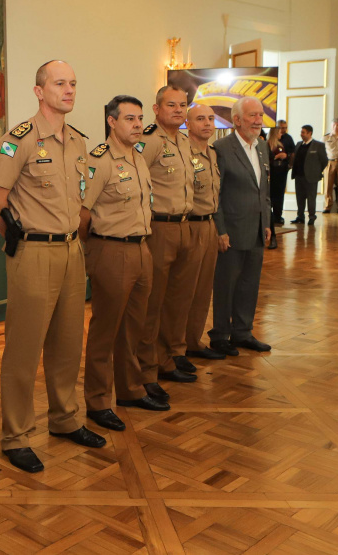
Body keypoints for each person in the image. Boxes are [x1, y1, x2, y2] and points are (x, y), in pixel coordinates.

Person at [0, 60, 106, 475]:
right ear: (39, 91)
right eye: (59, 83)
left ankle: (65, 419)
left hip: (72, 252)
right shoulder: (16, 140)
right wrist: (17, 241)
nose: (69, 90)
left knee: (69, 343)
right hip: (33, 252)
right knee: (24, 350)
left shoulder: (78, 141)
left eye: (73, 83)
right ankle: (16, 436)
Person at [79, 95, 167, 433]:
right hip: (112, 251)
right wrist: (98, 248)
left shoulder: (139, 158)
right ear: (111, 122)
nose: (137, 125)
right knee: (106, 329)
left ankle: (130, 390)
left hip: (142, 247)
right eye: (129, 118)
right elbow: (82, 214)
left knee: (135, 326)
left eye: (140, 118)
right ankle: (98, 400)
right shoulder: (98, 161)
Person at [135, 85, 201, 400]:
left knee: (177, 300)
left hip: (185, 225)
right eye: (171, 105)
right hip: (159, 228)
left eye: (182, 105)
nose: (178, 110)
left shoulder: (184, 141)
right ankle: (146, 369)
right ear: (156, 108)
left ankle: (168, 357)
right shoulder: (149, 140)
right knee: (153, 303)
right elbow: (134, 180)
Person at [209, 96, 273, 355]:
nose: (258, 121)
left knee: (249, 283)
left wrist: (266, 222)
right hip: (231, 231)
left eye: (260, 115)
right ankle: (220, 335)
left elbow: (264, 189)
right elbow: (217, 194)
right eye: (252, 116)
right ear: (236, 120)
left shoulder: (261, 147)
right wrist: (220, 229)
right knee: (226, 284)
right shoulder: (221, 148)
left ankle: (242, 332)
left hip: (257, 228)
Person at [183, 105, 225, 361]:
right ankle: (175, 346)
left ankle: (193, 340)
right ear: (188, 124)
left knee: (202, 290)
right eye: (200, 119)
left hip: (210, 225)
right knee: (184, 291)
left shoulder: (212, 153)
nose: (208, 124)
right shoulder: (182, 151)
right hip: (190, 225)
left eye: (210, 119)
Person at [290, 125, 328, 226]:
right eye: (301, 132)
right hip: (299, 176)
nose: (301, 134)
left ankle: (312, 217)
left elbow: (324, 161)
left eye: (303, 132)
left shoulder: (318, 145)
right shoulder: (298, 144)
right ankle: (300, 216)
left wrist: (316, 171)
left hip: (311, 177)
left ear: (310, 133)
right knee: (300, 197)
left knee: (311, 198)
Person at [267, 123, 290, 239]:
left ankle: (278, 215)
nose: (281, 134)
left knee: (279, 195)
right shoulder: (267, 145)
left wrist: (285, 157)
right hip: (273, 173)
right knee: (271, 195)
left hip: (281, 173)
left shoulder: (282, 144)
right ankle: (270, 216)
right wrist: (277, 157)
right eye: (279, 132)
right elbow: (267, 159)